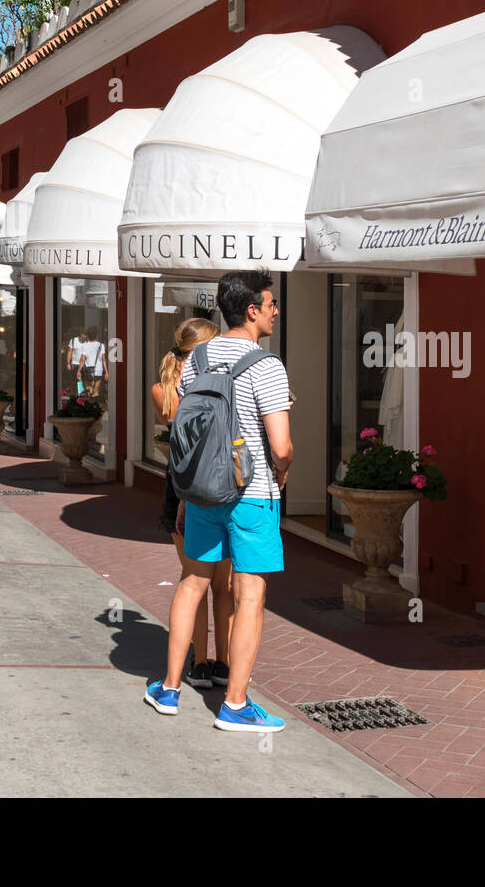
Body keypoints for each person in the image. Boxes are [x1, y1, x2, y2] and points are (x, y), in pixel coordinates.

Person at [144, 270, 292, 730]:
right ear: (251, 311)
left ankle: (168, 689)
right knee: (250, 593)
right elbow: (281, 446)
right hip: (252, 495)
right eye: (270, 304)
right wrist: (282, 474)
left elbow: (186, 430)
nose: (275, 311)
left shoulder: (198, 359)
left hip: (202, 491)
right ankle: (235, 704)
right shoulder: (267, 366)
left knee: (193, 583)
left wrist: (187, 493)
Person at [143, 317, 236, 708]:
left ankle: (200, 665)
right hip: (215, 483)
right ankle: (223, 665)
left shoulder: (163, 389)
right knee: (222, 583)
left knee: (194, 577)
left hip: (181, 484)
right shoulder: (213, 385)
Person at [79, 327, 106, 399]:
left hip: (89, 370)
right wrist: (106, 371)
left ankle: (90, 399)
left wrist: (78, 371)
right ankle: (95, 403)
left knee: (90, 387)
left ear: (88, 335)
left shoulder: (85, 345)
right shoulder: (101, 345)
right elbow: (103, 359)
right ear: (96, 335)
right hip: (99, 370)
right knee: (96, 389)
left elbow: (82, 359)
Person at [64, 328, 87, 394]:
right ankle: (76, 395)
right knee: (74, 382)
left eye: (86, 335)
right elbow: (69, 352)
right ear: (81, 334)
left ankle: (80, 395)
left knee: (81, 381)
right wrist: (68, 363)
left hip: (83, 365)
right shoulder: (73, 341)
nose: (86, 337)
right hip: (74, 364)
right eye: (85, 335)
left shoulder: (87, 342)